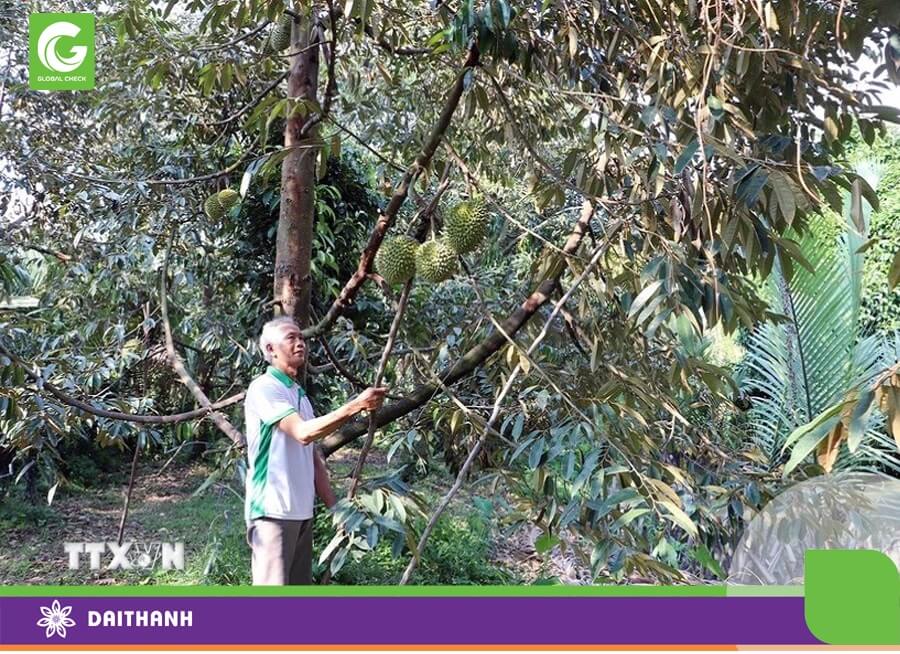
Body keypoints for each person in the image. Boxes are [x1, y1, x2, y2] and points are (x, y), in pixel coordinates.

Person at [244, 316, 386, 585]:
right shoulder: (264, 388)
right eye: (291, 338)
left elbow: (312, 458)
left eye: (301, 338)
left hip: (301, 512)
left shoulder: (299, 396)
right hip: (272, 513)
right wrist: (356, 405)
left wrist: (336, 509)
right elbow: (303, 432)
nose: (300, 343)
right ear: (271, 350)